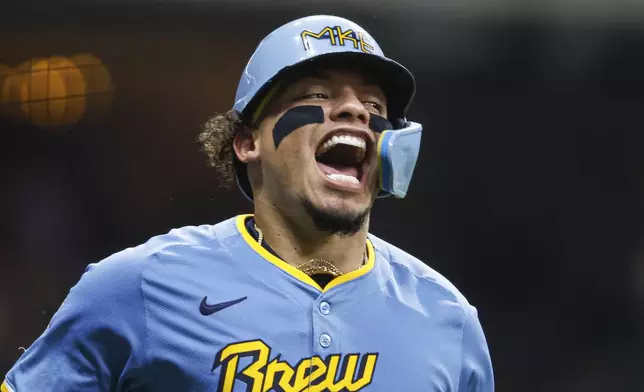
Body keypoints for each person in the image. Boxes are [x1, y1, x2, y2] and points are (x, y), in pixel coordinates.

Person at [2, 15, 494, 392]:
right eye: (318, 93)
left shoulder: (448, 320)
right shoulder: (139, 289)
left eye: (374, 107)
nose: (353, 110)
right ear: (246, 142)